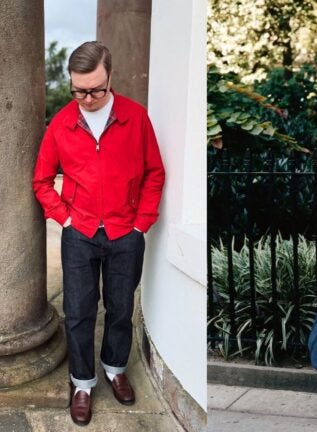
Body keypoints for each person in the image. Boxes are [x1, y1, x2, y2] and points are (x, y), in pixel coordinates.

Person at [32, 41, 165, 426]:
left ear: (111, 78)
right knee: (78, 312)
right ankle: (83, 383)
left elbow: (155, 173)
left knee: (121, 308)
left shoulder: (136, 118)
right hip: (80, 233)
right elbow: (41, 181)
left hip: (126, 232)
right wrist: (64, 217)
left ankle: (115, 367)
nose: (87, 98)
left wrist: (142, 223)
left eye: (96, 89)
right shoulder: (60, 123)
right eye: (79, 91)